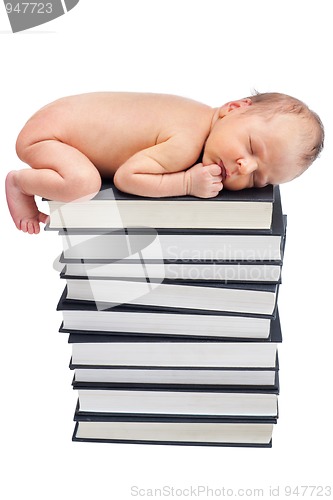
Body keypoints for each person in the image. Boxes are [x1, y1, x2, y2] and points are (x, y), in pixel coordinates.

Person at [5, 91, 324, 234]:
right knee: (84, 184)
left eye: (259, 179)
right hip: (49, 137)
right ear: (233, 108)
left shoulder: (200, 117)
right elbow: (128, 178)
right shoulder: (186, 141)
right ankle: (20, 183)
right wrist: (186, 183)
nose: (245, 167)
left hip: (60, 117)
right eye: (252, 147)